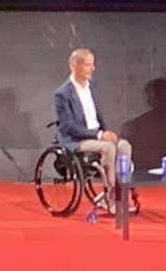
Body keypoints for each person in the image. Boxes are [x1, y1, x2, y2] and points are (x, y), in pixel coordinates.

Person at [53, 48, 132, 214]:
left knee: (124, 146)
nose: (92, 68)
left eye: (92, 64)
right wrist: (100, 135)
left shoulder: (92, 86)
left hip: (97, 134)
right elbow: (68, 127)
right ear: (74, 66)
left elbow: (97, 115)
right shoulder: (62, 94)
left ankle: (122, 193)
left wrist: (105, 132)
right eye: (88, 65)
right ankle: (110, 198)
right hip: (75, 139)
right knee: (108, 148)